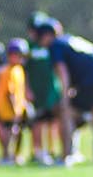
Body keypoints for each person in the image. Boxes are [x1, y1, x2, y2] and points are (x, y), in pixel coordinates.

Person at [33, 19, 93, 164]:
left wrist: (65, 97)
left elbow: (62, 71)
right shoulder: (70, 40)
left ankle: (65, 157)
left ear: (47, 36)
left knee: (65, 111)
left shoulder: (55, 45)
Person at [24, 14, 66, 166]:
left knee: (53, 120)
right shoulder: (30, 47)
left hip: (51, 88)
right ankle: (38, 151)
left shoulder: (52, 46)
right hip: (36, 89)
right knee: (37, 121)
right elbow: (26, 70)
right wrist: (27, 89)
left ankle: (52, 150)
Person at [0, 38, 29, 165]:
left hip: (17, 108)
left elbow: (20, 91)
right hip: (7, 109)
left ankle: (15, 155)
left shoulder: (19, 70)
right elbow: (10, 93)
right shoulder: (8, 71)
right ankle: (6, 155)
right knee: (9, 132)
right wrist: (14, 110)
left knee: (17, 131)